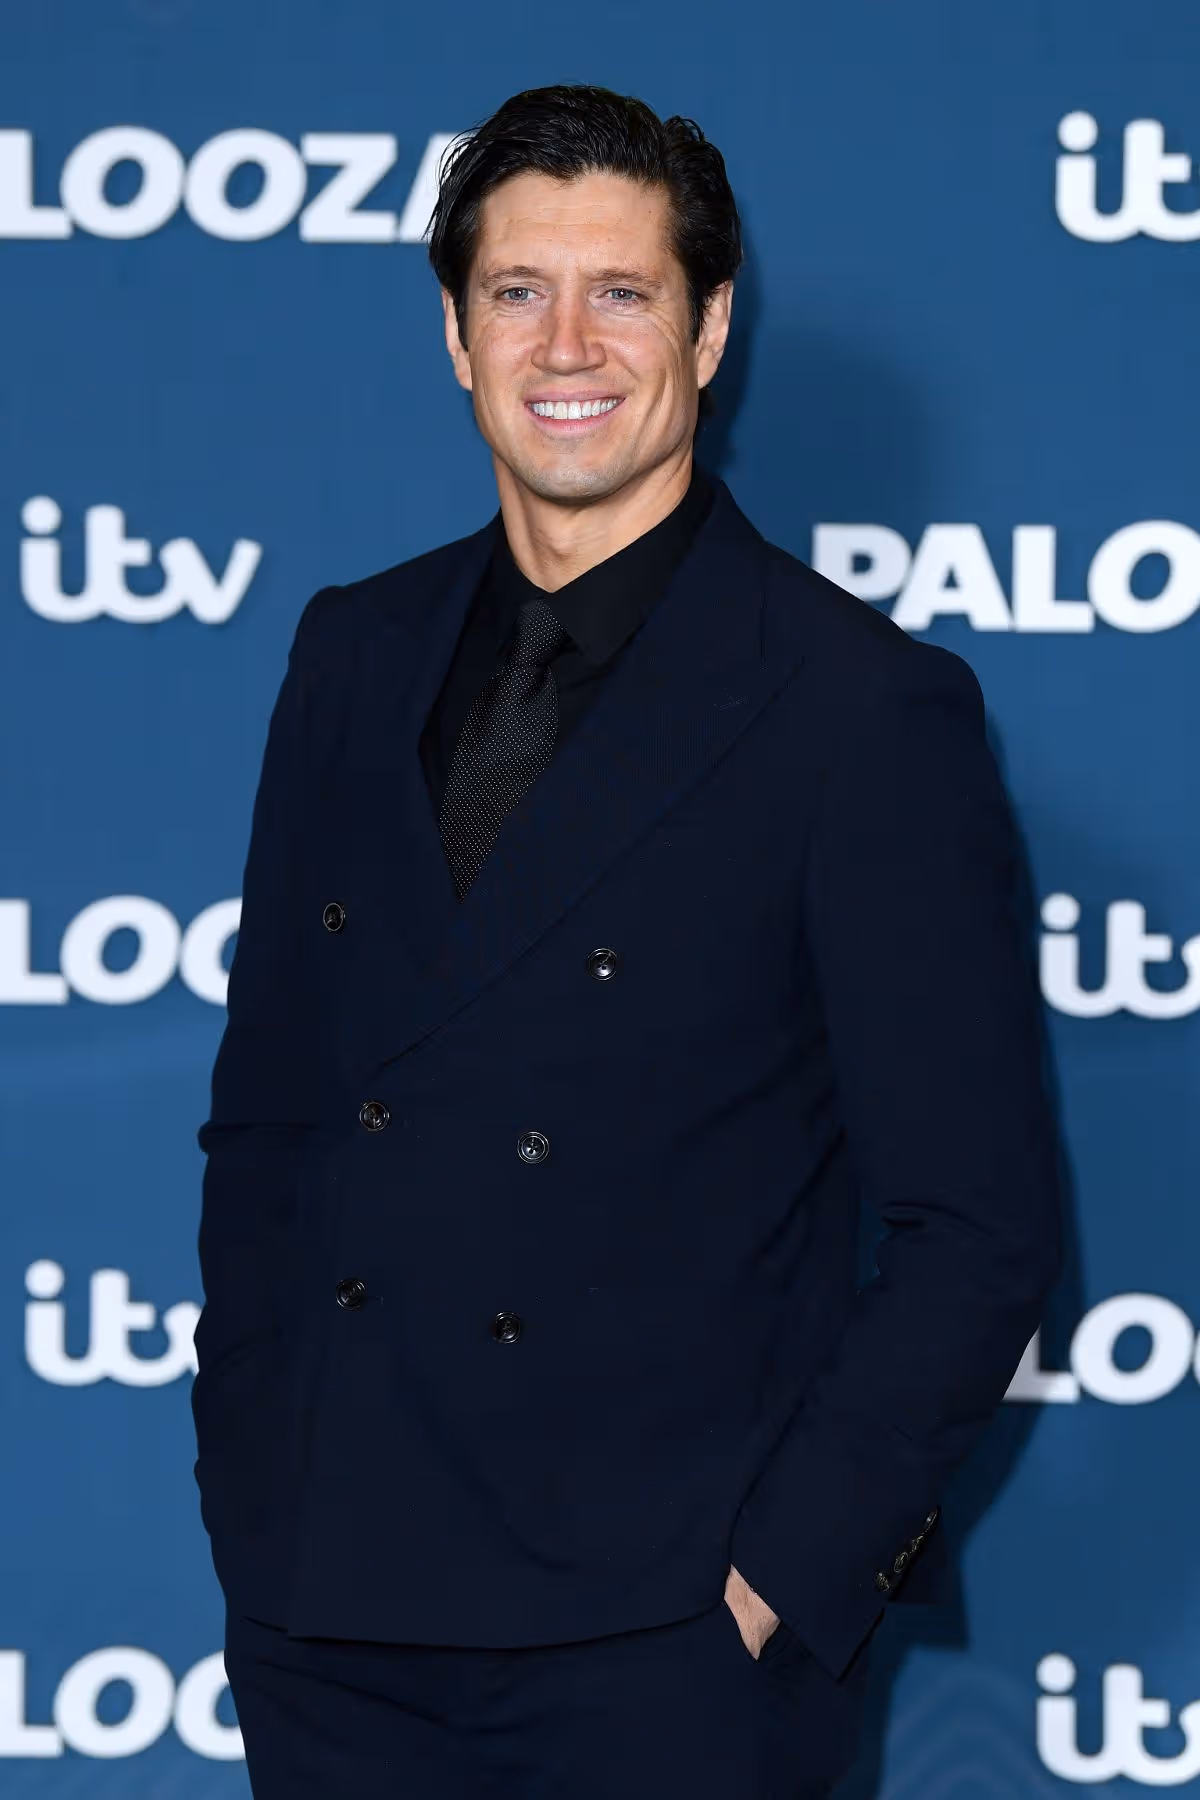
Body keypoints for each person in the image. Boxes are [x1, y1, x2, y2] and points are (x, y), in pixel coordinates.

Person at [192, 82, 1062, 1799]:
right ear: (455, 334)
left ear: (711, 328)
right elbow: (270, 1117)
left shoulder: (859, 709)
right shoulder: (349, 653)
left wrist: (774, 1591)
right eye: (518, 291)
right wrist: (250, 1494)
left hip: (657, 1647)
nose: (565, 342)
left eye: (624, 292)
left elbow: (981, 1225)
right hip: (333, 1619)